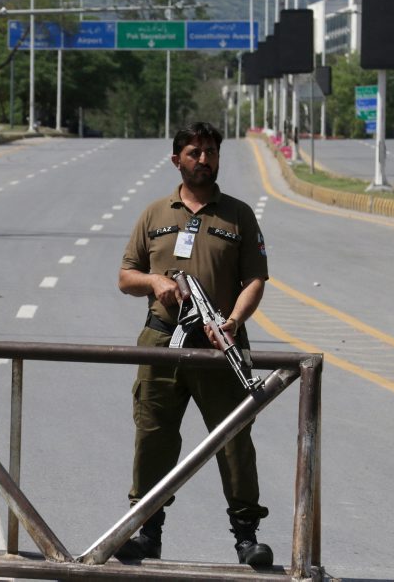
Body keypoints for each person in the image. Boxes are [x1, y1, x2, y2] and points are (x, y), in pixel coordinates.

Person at [115, 121, 272, 566]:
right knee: (153, 436)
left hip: (219, 344)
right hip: (162, 338)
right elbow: (125, 277)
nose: (204, 160)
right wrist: (154, 282)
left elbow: (255, 279)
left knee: (233, 438)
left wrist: (233, 322)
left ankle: (246, 537)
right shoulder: (154, 214)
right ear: (176, 160)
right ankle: (147, 530)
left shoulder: (238, 215)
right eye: (194, 153)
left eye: (211, 153)